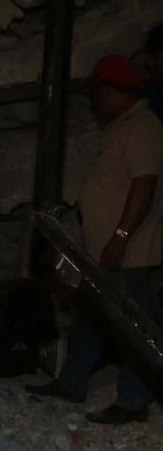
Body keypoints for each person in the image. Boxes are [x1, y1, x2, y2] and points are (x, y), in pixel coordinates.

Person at [25, 54, 162, 423]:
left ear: (112, 89)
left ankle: (134, 401)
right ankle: (72, 382)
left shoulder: (141, 127)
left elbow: (144, 184)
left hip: (131, 253)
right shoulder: (125, 126)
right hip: (107, 251)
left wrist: (119, 237)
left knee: (133, 327)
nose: (94, 103)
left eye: (96, 93)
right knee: (93, 316)